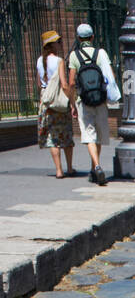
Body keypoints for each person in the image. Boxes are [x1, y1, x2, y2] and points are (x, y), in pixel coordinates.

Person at [67, 23, 119, 186]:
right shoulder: (100, 53)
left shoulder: (74, 56)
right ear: (92, 37)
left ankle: (96, 166)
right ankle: (94, 170)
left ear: (78, 38)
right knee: (98, 134)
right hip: (101, 100)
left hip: (84, 100)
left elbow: (71, 82)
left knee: (89, 134)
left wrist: (72, 104)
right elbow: (111, 76)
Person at [36, 31, 76, 179]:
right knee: (65, 135)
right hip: (59, 102)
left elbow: (39, 83)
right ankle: (70, 168)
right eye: (58, 42)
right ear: (51, 44)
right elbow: (65, 84)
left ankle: (58, 170)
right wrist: (72, 103)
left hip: (46, 101)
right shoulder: (59, 60)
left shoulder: (39, 60)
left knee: (52, 138)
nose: (60, 44)